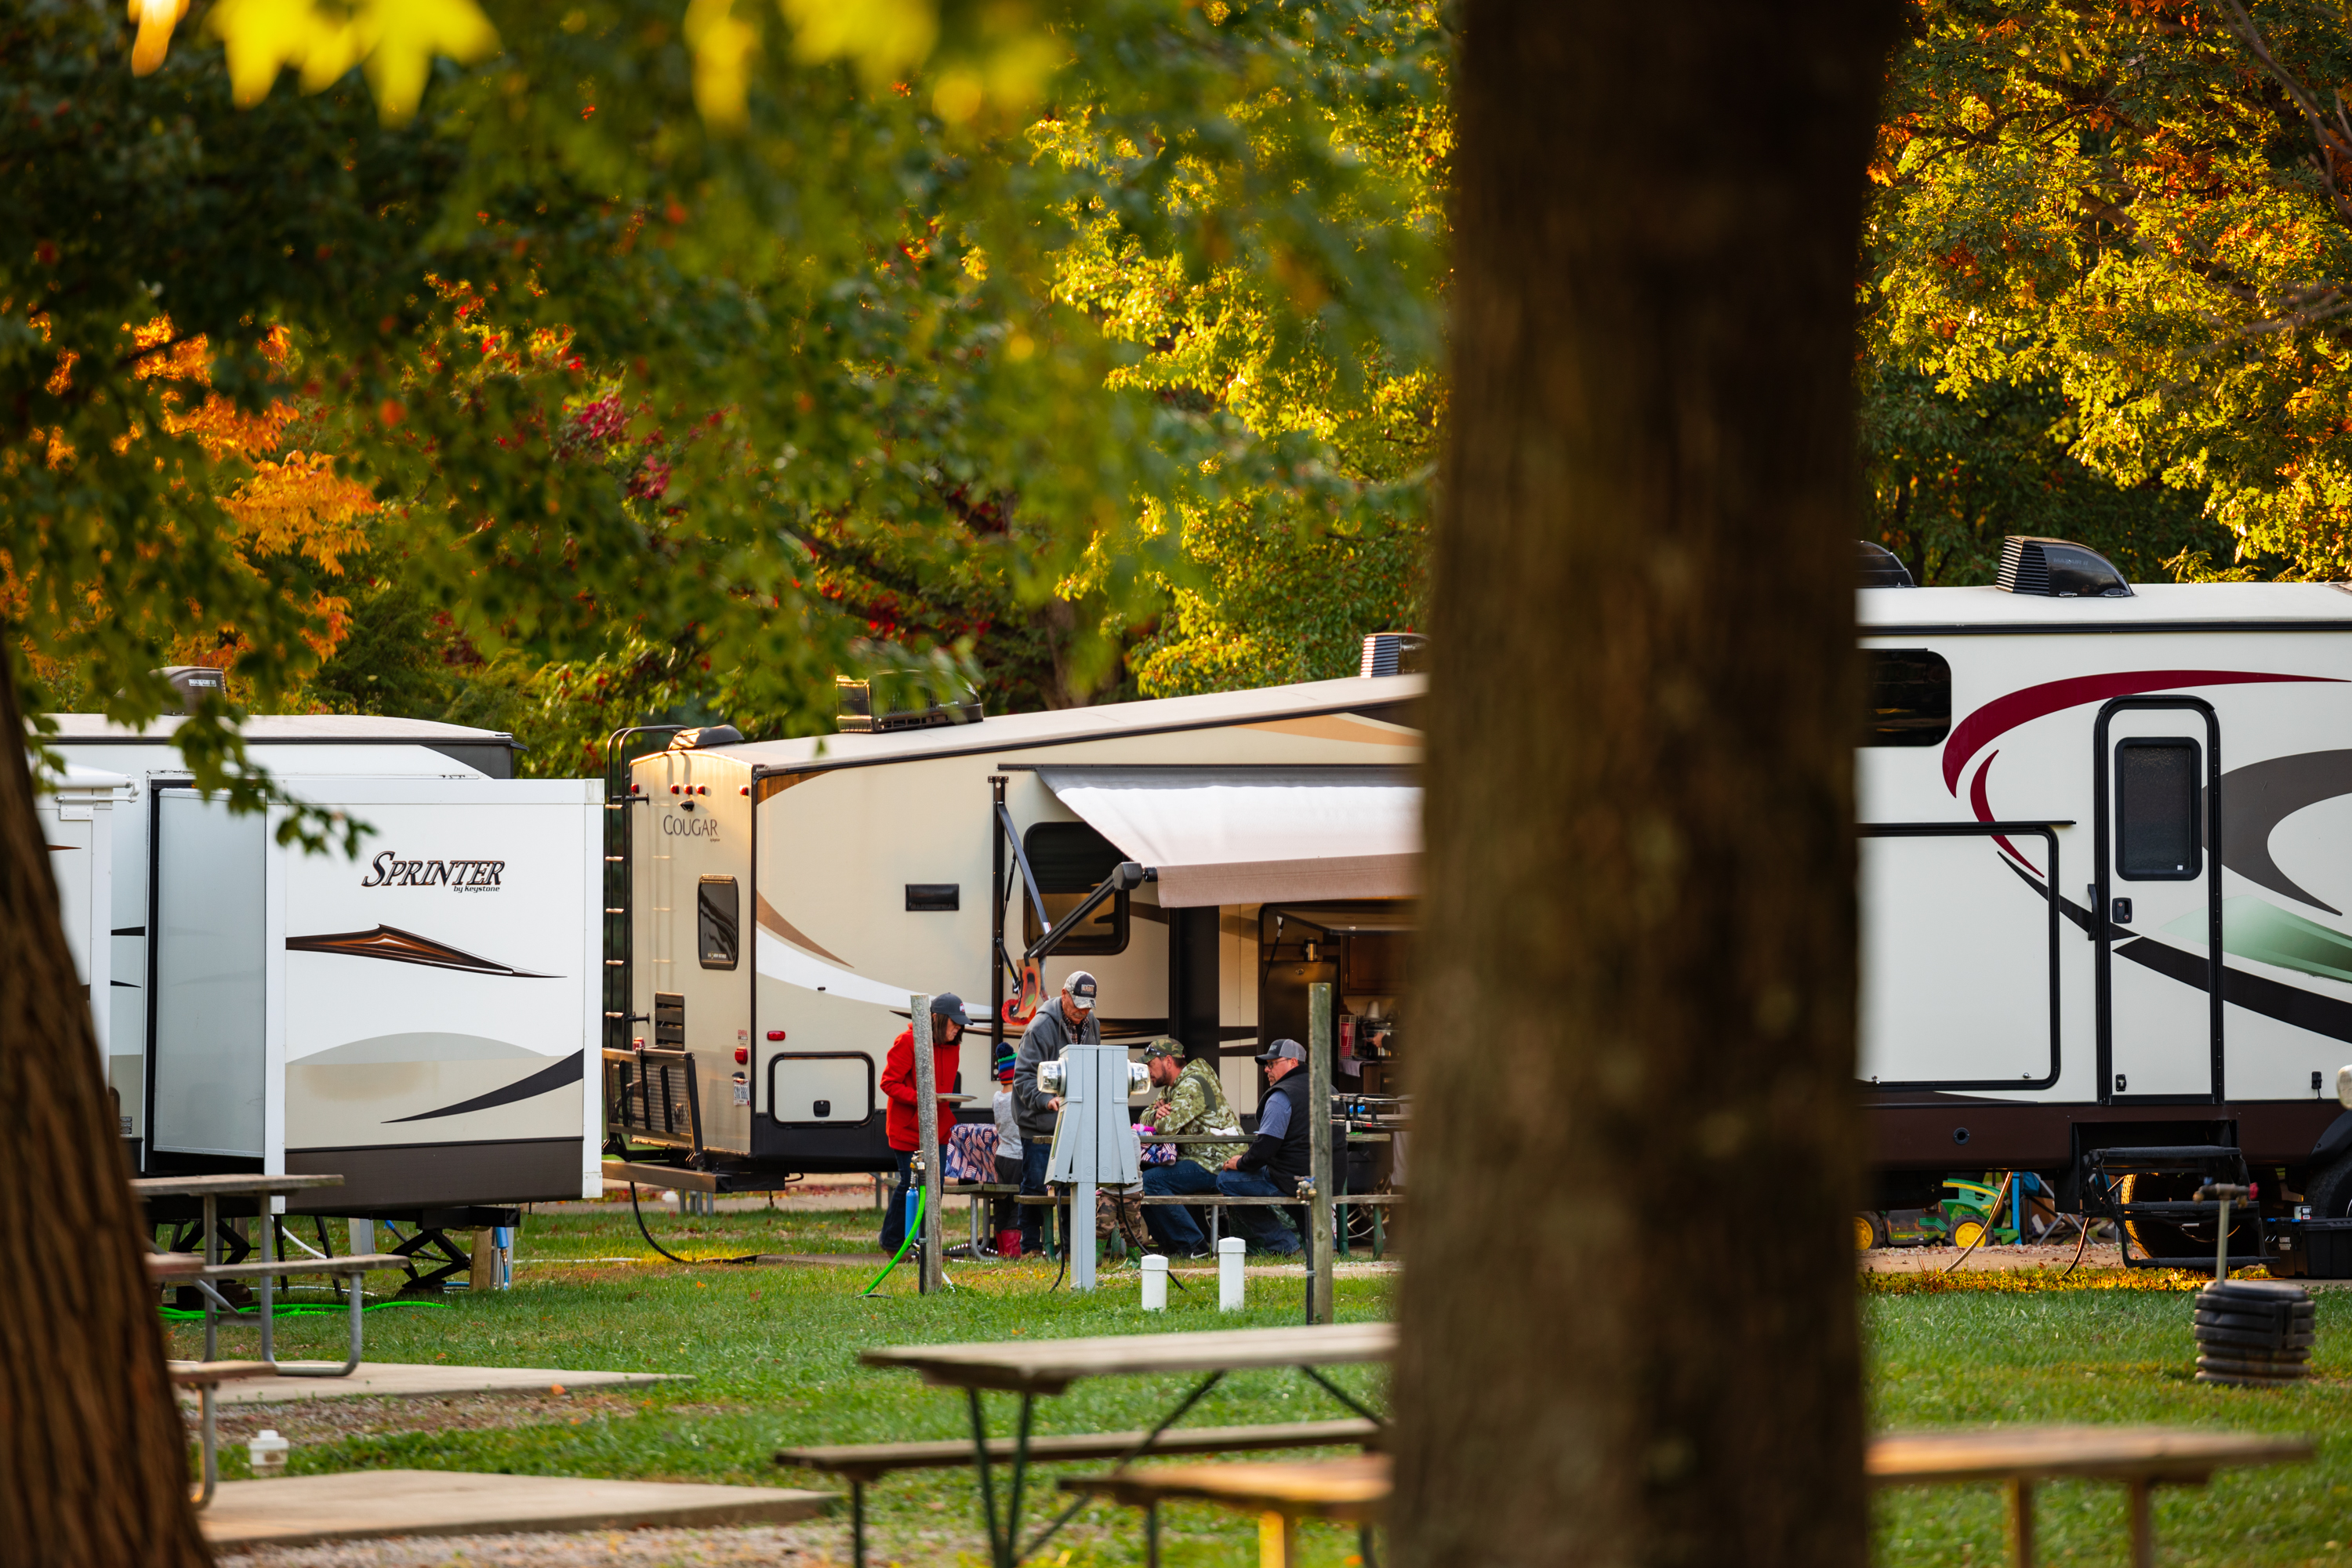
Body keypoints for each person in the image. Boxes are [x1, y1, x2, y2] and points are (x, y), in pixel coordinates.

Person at [1011, 970, 1098, 1257]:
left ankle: (1073, 1247)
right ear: (1064, 995)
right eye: (1077, 1006)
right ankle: (1031, 1247)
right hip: (1039, 1122)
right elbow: (1023, 1077)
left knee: (1075, 1182)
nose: (1082, 1013)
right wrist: (1046, 1100)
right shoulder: (1039, 1028)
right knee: (1035, 1184)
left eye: (1087, 1007)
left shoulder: (1092, 1024)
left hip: (1074, 1120)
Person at [1138, 1042, 1246, 1256]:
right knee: (1142, 1180)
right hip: (1198, 1157)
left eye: (1150, 1064)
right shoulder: (1172, 1087)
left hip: (1217, 1160)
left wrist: (1160, 1118)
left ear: (1168, 1061)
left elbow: (1166, 1128)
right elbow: (1144, 1118)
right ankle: (1170, 1246)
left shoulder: (1193, 1083)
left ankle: (1193, 1246)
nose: (1147, 1071)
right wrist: (1155, 1114)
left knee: (1150, 1182)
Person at [878, 993, 964, 1258]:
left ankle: (925, 1243)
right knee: (910, 1182)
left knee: (934, 1185)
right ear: (937, 1020)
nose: (959, 1028)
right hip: (907, 1128)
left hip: (937, 1127)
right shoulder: (908, 1041)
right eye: (954, 1023)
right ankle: (892, 1241)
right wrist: (921, 1100)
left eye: (961, 1024)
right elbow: (888, 1082)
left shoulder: (953, 1047)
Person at [1215, 1038, 1312, 1255]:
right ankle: (1326, 1249)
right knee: (1300, 1195)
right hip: (1330, 1178)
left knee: (1226, 1182)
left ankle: (1284, 1245)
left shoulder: (1281, 1096)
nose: (1267, 1070)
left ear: (1293, 1063)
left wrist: (1239, 1162)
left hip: (1293, 1179)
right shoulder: (1328, 1089)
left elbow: (1265, 1149)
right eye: (1266, 1065)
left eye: (1273, 1063)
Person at [991, 1058, 1024, 1258]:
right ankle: (1013, 1252)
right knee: (1017, 1204)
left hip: (1001, 1156)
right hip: (1018, 1157)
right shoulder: (1018, 1098)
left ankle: (1002, 1250)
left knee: (1001, 1203)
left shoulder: (997, 1097)